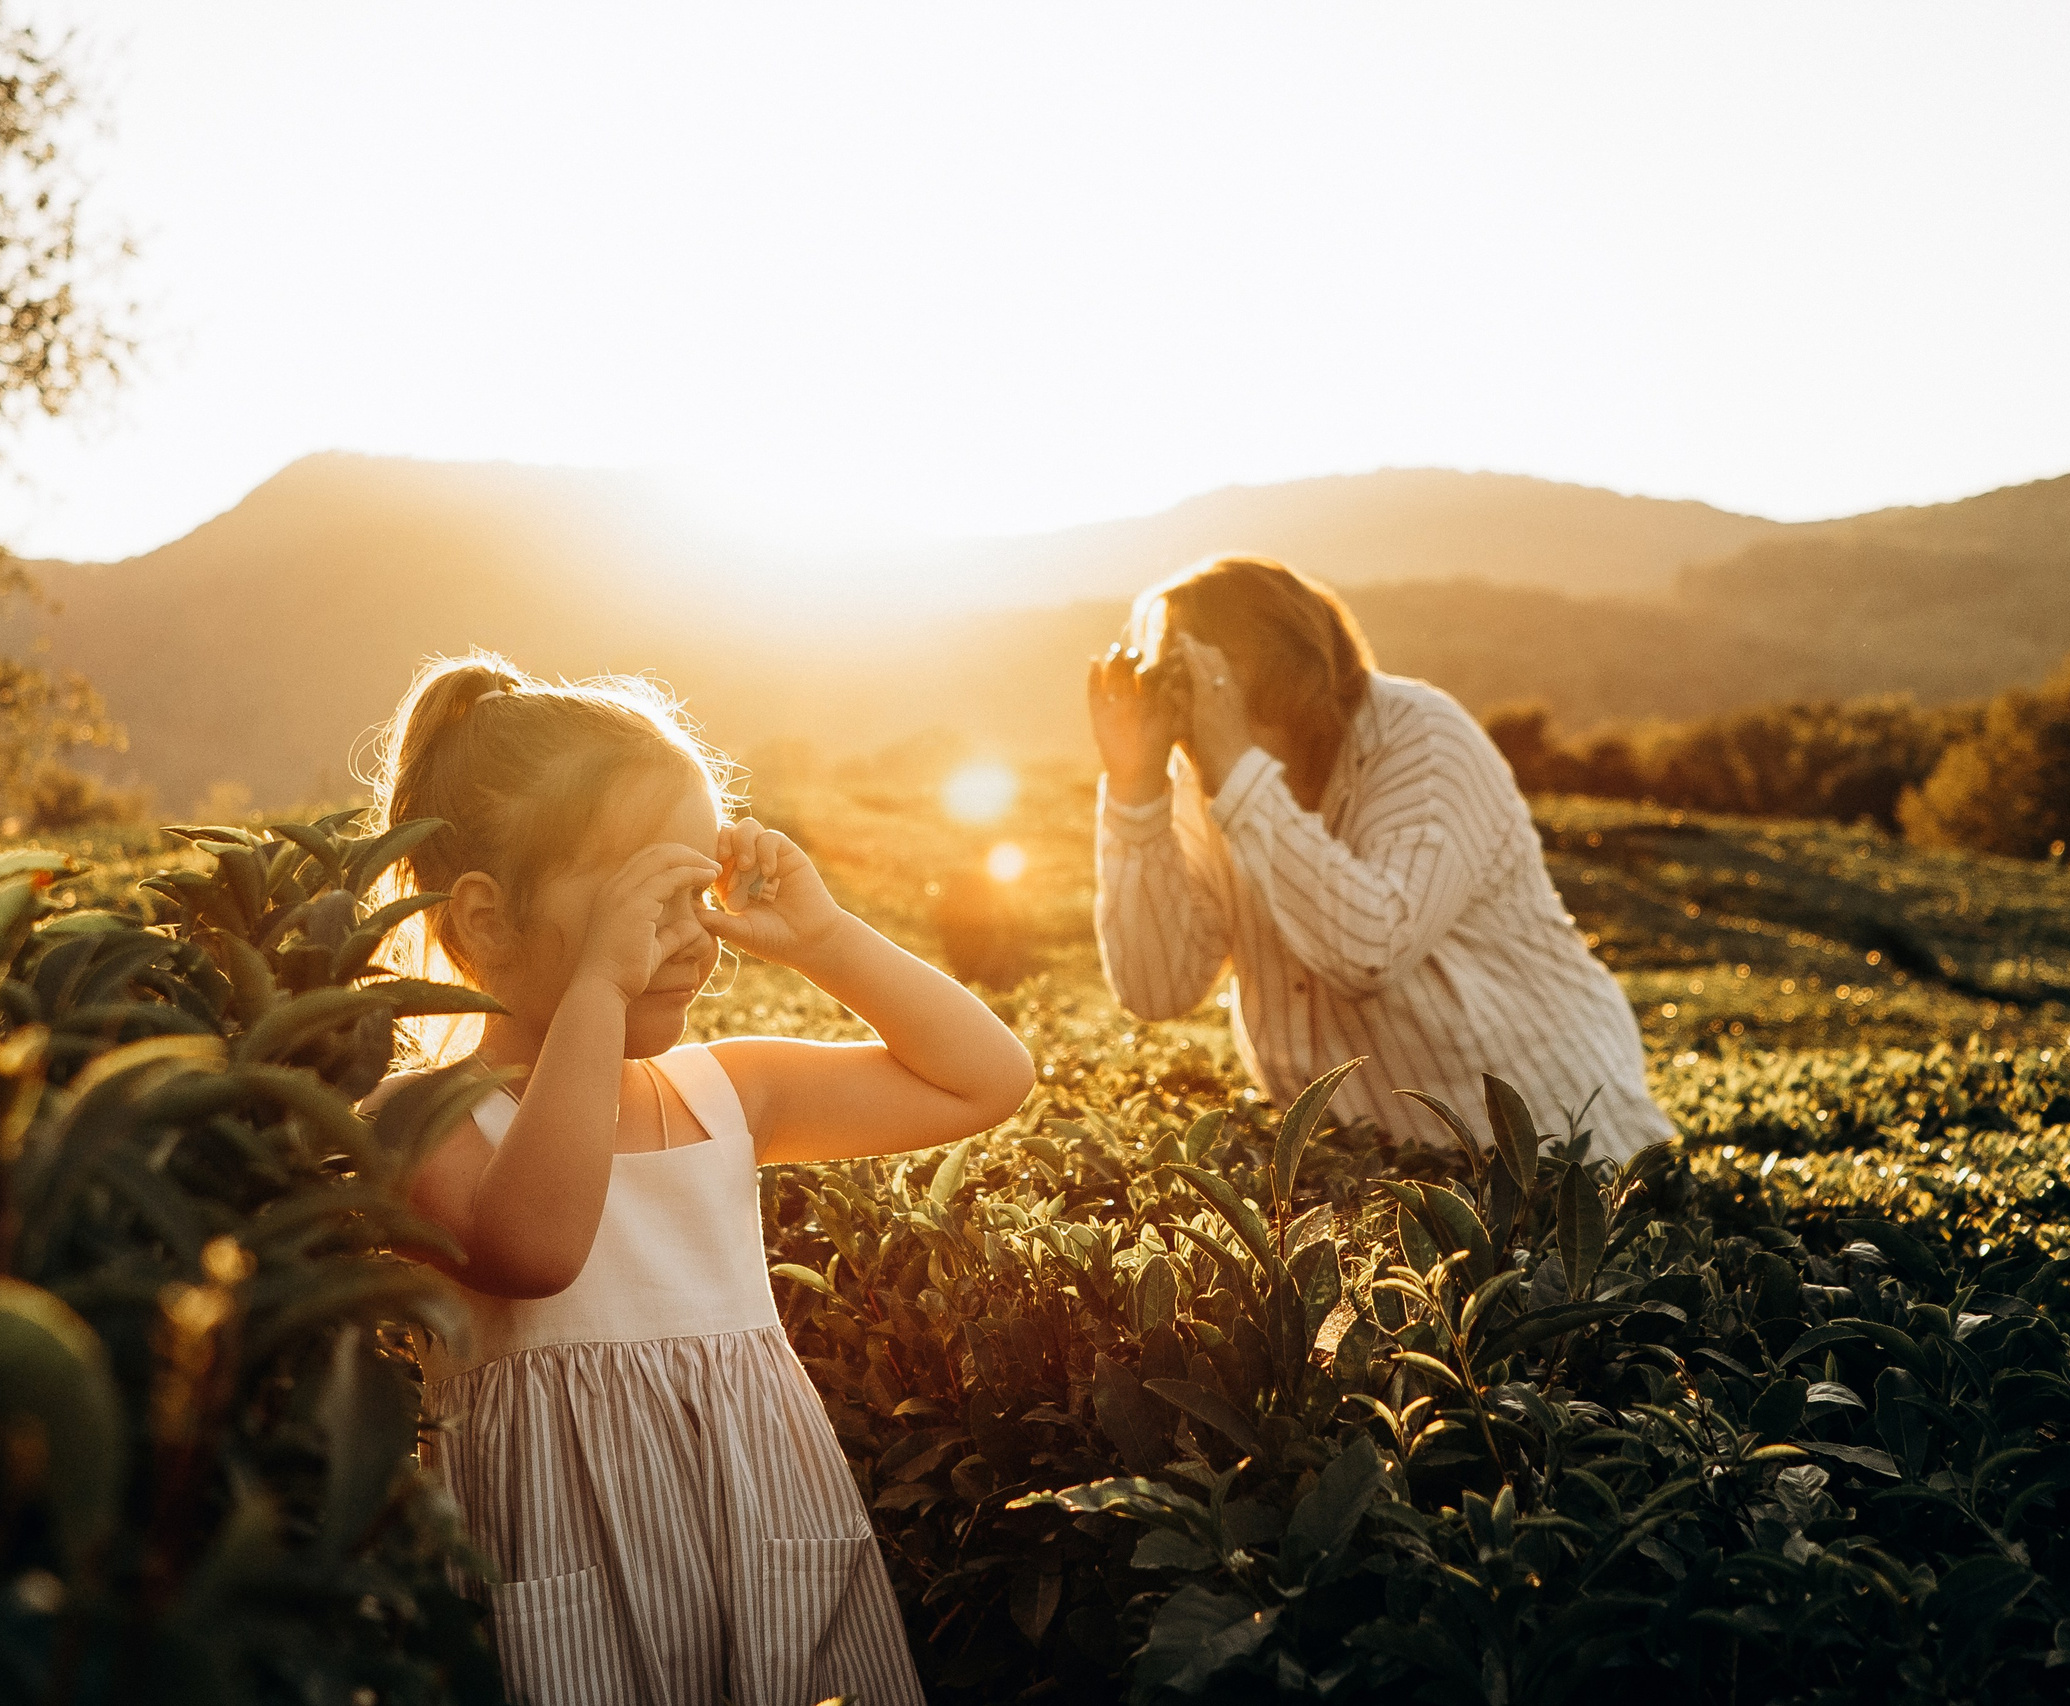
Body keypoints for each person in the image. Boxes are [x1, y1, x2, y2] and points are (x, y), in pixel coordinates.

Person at [362, 652, 1033, 1706]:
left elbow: (986, 1077)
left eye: (694, 888)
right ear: (486, 919)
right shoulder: (419, 1115)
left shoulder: (727, 1089)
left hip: (767, 1549)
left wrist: (822, 937)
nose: (684, 936)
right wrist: (598, 987)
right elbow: (536, 1246)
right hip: (565, 1578)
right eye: (643, 898)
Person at [1086, 557, 1673, 1163]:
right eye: (1166, 675)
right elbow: (1156, 990)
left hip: (1569, 1153)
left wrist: (1238, 774)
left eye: (1201, 675)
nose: (1181, 705)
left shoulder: (1422, 737)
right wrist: (1135, 792)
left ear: (1278, 671)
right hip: (1374, 1176)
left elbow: (1369, 950)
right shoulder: (1200, 772)